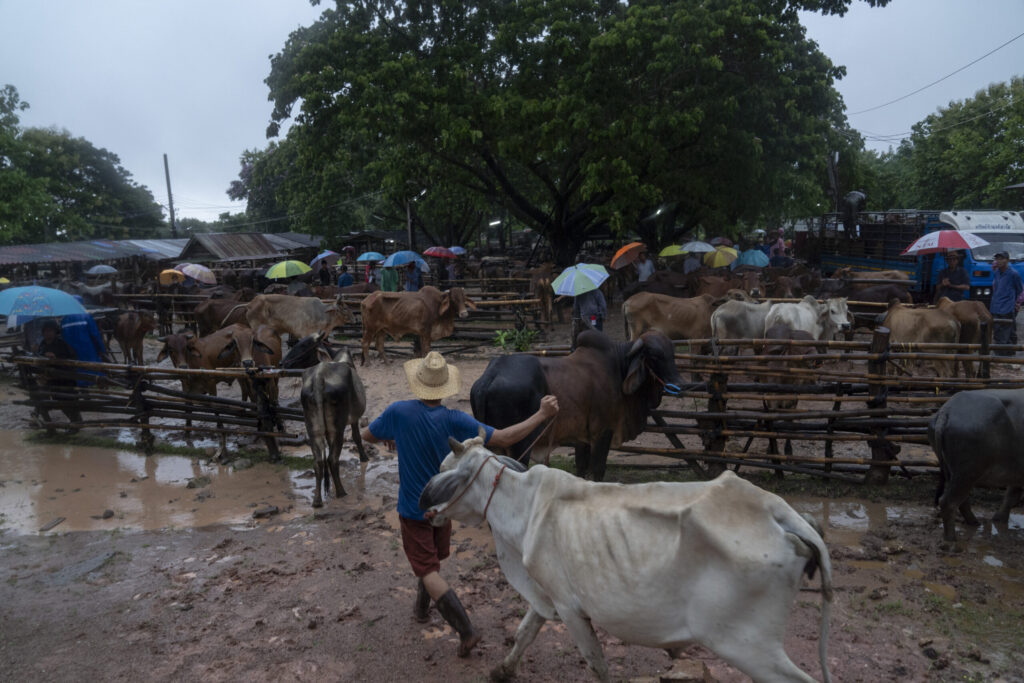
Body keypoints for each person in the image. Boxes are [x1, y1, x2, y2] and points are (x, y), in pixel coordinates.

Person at [360, 352, 559, 658]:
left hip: (414, 510)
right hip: (445, 506)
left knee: (427, 569)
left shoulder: (398, 413)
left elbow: (366, 435)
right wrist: (542, 414)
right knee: (431, 563)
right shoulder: (455, 419)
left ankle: (467, 631)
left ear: (418, 383)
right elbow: (505, 436)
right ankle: (421, 610)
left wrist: (391, 438)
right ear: (444, 387)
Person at [34, 319, 82, 427]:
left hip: (64, 379)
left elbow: (72, 360)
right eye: (45, 331)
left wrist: (56, 358)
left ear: (56, 332)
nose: (48, 333)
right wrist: (39, 355)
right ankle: (74, 423)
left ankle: (76, 424)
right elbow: (37, 359)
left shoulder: (62, 344)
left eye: (50, 331)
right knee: (57, 401)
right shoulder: (42, 345)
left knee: (67, 402)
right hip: (51, 380)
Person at [989, 251, 1022, 355]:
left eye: (1001, 258)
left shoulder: (1013, 274)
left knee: (1004, 333)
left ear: (1007, 260)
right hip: (995, 307)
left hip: (1007, 307)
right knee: (999, 332)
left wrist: (1015, 302)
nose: (998, 261)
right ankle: (1008, 354)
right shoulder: (996, 273)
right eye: (997, 259)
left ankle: (1002, 356)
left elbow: (1019, 289)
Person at [60, 313, 107, 386]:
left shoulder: (64, 320)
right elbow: (95, 335)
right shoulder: (86, 317)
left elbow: (63, 338)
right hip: (89, 352)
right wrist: (101, 349)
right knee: (93, 373)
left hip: (72, 353)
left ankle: (83, 388)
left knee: (78, 373)